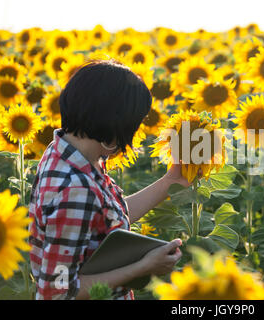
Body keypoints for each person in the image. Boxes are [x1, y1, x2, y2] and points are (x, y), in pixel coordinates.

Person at [28, 59, 190, 300]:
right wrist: (144, 267)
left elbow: (104, 217)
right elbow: (57, 293)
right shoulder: (75, 188)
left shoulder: (68, 151)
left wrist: (171, 181)